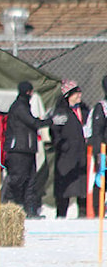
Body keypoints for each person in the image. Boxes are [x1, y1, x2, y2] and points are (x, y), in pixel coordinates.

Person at [3, 81, 51, 218]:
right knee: (17, 179)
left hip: (27, 149)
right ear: (28, 92)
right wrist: (50, 121)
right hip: (18, 149)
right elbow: (33, 122)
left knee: (30, 180)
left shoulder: (23, 105)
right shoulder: (19, 107)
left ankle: (29, 210)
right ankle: (8, 207)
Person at [50, 80, 89, 218]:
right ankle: (61, 215)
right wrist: (62, 145)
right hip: (66, 156)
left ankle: (83, 215)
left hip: (81, 154)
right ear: (68, 95)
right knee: (64, 188)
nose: (79, 95)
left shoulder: (84, 110)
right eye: (76, 93)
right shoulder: (61, 111)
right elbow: (55, 131)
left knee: (82, 186)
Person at [86, 75, 107, 212]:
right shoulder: (102, 107)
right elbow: (97, 131)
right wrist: (99, 152)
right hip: (104, 150)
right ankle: (98, 208)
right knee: (102, 179)